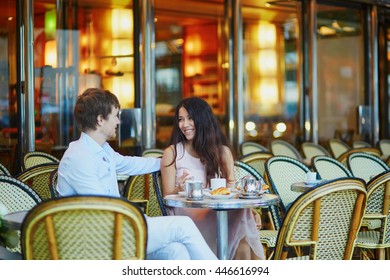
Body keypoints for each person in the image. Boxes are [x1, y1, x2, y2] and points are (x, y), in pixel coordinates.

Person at [57, 88, 217, 260]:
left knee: (177, 251)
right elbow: (102, 208)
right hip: (98, 238)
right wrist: (136, 217)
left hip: (118, 226)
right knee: (183, 225)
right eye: (115, 115)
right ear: (100, 120)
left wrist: (172, 161)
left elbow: (130, 164)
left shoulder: (101, 149)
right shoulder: (79, 157)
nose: (118, 122)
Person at [161, 97, 265, 260]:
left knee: (243, 240)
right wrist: (179, 189)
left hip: (218, 212)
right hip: (188, 216)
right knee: (243, 230)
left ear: (203, 120)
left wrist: (249, 210)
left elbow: (231, 189)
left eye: (190, 118)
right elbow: (166, 196)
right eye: (181, 119)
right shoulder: (172, 153)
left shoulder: (223, 152)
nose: (184, 124)